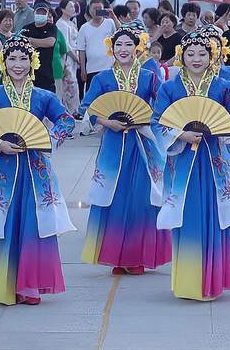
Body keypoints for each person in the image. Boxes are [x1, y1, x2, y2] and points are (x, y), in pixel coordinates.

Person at [0, 33, 75, 305]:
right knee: (2, 222)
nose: (17, 64)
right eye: (11, 58)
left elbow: (66, 121)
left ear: (32, 61)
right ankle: (2, 283)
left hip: (34, 169)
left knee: (33, 223)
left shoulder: (44, 96)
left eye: (23, 58)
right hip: (1, 170)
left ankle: (30, 284)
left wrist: (47, 140)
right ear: (3, 62)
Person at [152, 30, 230, 300]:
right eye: (190, 53)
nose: (196, 58)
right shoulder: (169, 88)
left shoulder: (224, 87)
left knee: (214, 216)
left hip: (214, 161)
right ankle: (187, 281)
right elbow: (157, 120)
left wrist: (223, 129)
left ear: (212, 56)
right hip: (182, 161)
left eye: (202, 53)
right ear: (181, 56)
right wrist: (180, 134)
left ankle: (212, 280)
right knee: (187, 216)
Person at [79, 24, 170, 275]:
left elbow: (162, 106)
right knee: (114, 197)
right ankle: (116, 256)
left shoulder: (149, 76)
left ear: (137, 47)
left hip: (142, 144)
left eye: (128, 44)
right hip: (113, 144)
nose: (123, 49)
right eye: (118, 44)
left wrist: (147, 119)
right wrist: (108, 122)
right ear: (111, 48)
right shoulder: (102, 78)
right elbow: (86, 108)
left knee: (141, 198)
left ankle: (138, 255)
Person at [77, 0, 116, 92]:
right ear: (89, 10)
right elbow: (81, 50)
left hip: (109, 67)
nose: (97, 11)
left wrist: (113, 17)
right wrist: (83, 69)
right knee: (93, 95)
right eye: (94, 8)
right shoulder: (84, 28)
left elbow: (120, 32)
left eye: (100, 8)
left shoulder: (110, 22)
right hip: (91, 68)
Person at [23, 0, 58, 92]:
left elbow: (50, 42)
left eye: (43, 13)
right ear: (34, 13)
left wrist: (31, 40)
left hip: (46, 74)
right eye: (39, 12)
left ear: (47, 14)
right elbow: (23, 44)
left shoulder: (52, 27)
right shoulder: (26, 28)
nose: (41, 14)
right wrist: (40, 42)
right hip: (28, 73)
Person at [56, 0, 81, 118]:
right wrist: (76, 57)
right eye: (70, 6)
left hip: (74, 57)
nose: (73, 9)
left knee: (73, 84)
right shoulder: (60, 23)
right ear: (63, 9)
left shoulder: (72, 23)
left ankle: (74, 109)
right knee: (69, 84)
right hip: (67, 58)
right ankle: (69, 111)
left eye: (73, 6)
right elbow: (65, 44)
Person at [49, 8, 68, 101]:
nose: (48, 18)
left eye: (50, 16)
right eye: (46, 16)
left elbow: (64, 52)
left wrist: (62, 64)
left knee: (57, 98)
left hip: (56, 70)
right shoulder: (35, 32)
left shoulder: (58, 32)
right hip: (39, 73)